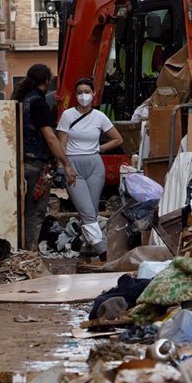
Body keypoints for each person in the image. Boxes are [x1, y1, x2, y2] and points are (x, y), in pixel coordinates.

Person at [56, 77, 123, 260]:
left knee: (91, 211)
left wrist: (99, 149)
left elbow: (118, 139)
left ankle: (87, 247)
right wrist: (65, 166)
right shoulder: (68, 115)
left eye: (87, 92)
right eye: (79, 92)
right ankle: (103, 251)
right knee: (86, 211)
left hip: (95, 164)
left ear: (94, 94)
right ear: (75, 95)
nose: (83, 96)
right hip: (73, 164)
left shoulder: (100, 116)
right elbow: (61, 145)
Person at [12, 63, 74, 251]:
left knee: (22, 211)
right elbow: (50, 138)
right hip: (36, 165)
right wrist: (66, 163)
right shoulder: (39, 103)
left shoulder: (22, 100)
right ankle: (30, 253)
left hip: (21, 162)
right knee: (35, 212)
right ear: (46, 81)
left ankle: (21, 250)